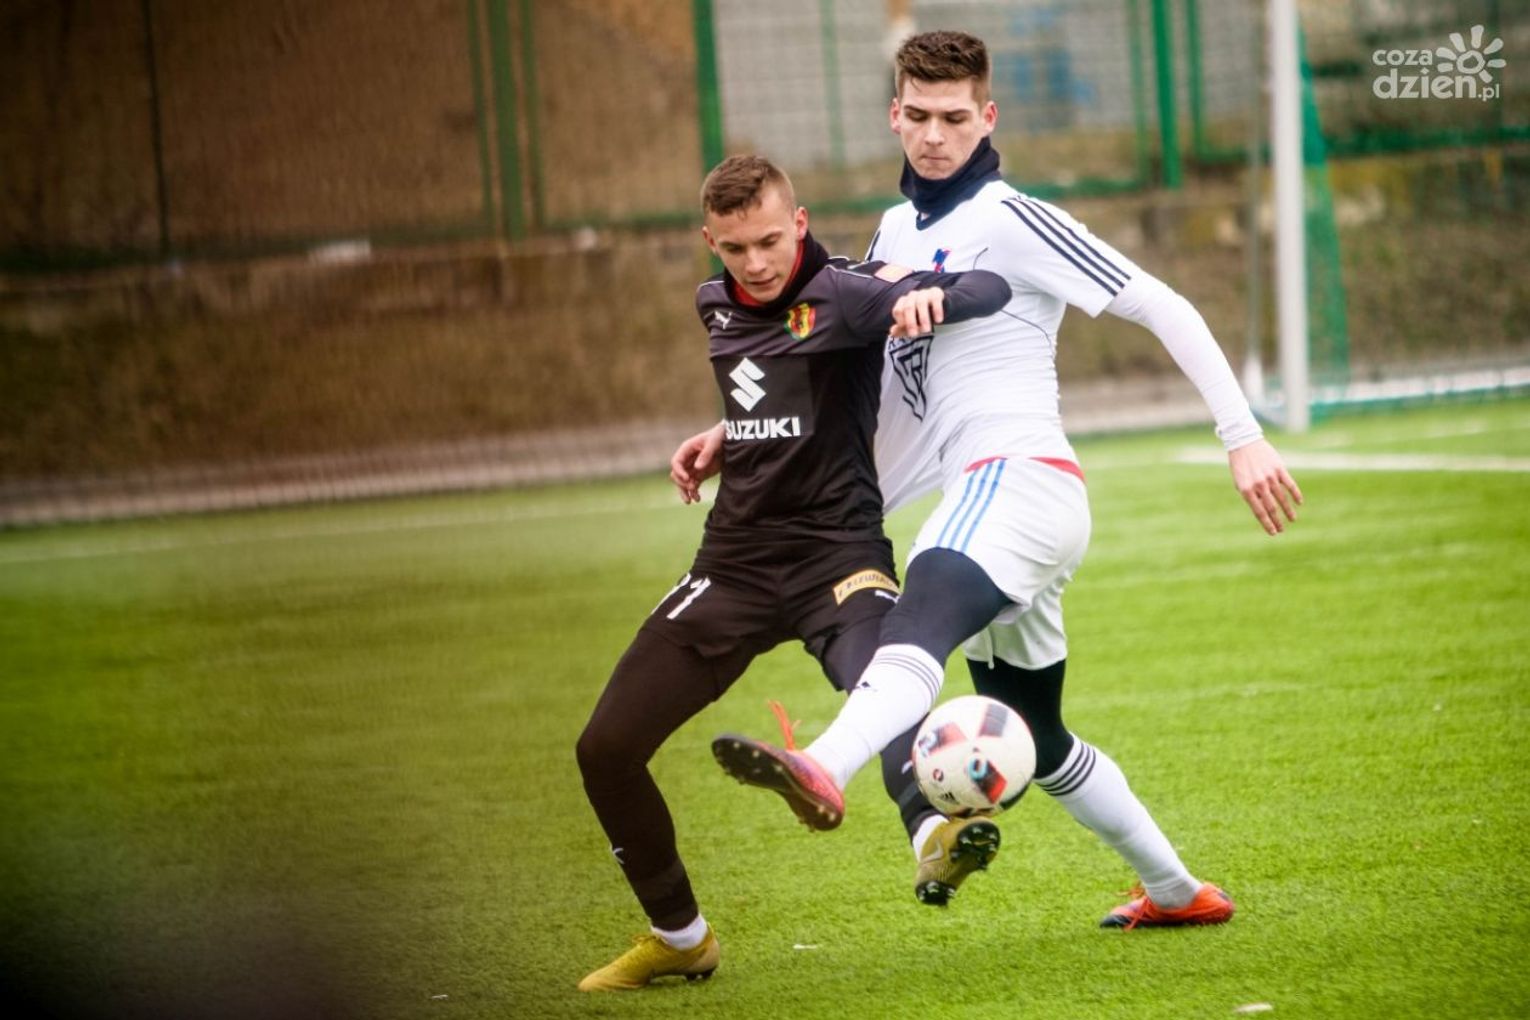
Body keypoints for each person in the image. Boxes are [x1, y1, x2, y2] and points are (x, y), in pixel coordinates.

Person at [676, 30, 1303, 929]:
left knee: (912, 622)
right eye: (920, 116)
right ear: (895, 116)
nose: (936, 135)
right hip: (1002, 504)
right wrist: (740, 438)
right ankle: (1177, 892)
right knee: (1037, 734)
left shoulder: (1013, 218)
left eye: (955, 118)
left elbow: (1161, 303)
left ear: (988, 118)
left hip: (1017, 479)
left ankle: (823, 764)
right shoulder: (895, 233)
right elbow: (874, 395)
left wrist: (1241, 437)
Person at [575, 154, 1010, 991]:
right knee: (605, 748)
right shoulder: (714, 303)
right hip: (733, 565)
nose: (757, 263)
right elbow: (772, 385)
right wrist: (727, 437)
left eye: (771, 241)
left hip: (838, 559)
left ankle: (935, 839)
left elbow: (988, 289)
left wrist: (929, 297)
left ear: (800, 224)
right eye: (736, 248)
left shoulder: (848, 292)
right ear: (712, 243)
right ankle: (680, 937)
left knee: (887, 684)